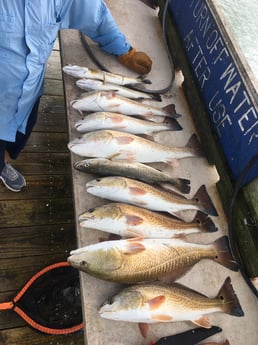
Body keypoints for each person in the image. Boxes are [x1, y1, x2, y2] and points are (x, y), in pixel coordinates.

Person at [0, 0, 152, 192]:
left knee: (18, 140)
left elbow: (94, 14)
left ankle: (4, 162)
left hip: (28, 96)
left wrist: (125, 51)